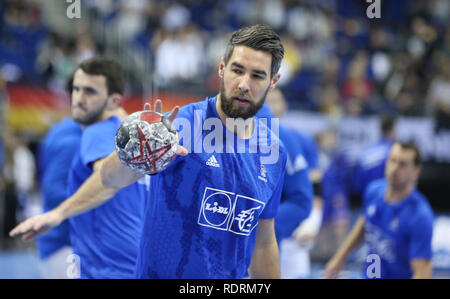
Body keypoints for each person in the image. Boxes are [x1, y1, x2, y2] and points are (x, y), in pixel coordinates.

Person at [11, 24, 287, 279]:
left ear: (273, 81)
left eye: (257, 75)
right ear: (221, 68)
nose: (243, 84)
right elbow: (110, 179)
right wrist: (135, 151)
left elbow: (263, 240)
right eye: (237, 70)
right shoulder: (179, 125)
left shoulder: (273, 152)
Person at [11, 57, 150, 278]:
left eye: (90, 92)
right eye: (75, 89)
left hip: (107, 268)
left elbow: (108, 179)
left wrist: (58, 214)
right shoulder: (133, 138)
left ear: (114, 101)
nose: (79, 98)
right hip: (135, 264)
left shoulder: (97, 132)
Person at [325, 141, 434, 279]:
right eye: (392, 160)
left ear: (416, 171)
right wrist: (339, 258)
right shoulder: (374, 191)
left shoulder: (419, 216)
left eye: (403, 164)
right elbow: (365, 224)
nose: (395, 168)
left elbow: (423, 273)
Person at [256, 89, 314, 278]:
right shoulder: (220, 127)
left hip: (283, 241)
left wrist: (263, 223)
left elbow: (307, 195)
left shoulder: (290, 138)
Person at [36, 117, 82, 278]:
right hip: (64, 243)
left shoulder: (60, 133)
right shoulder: (73, 142)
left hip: (63, 241)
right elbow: (53, 189)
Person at [352, 115, 397, 200]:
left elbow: (357, 185)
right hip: (385, 199)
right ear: (393, 130)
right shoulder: (394, 152)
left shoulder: (366, 151)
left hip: (364, 199)